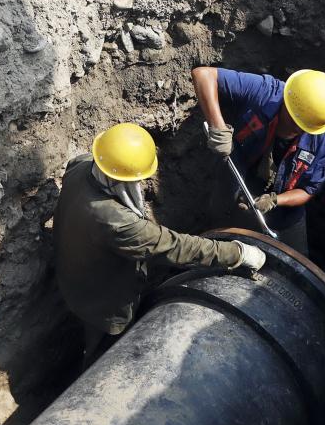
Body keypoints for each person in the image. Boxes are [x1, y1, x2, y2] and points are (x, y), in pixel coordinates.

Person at [53, 122, 265, 363]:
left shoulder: (81, 166)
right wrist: (238, 253)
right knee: (104, 353)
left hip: (73, 280)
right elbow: (176, 247)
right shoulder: (117, 222)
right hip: (105, 306)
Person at [191, 66, 325, 254]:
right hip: (234, 179)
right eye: (294, 122)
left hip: (284, 214)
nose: (297, 130)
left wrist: (276, 200)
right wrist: (218, 127)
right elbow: (203, 75)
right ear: (286, 101)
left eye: (305, 128)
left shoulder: (324, 139)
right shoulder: (266, 92)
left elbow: (309, 189)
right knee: (219, 240)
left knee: (296, 267)